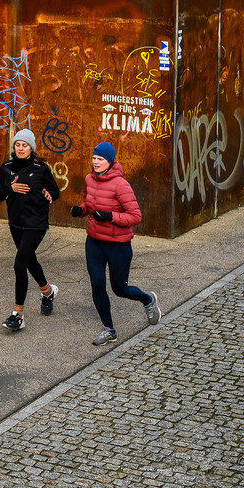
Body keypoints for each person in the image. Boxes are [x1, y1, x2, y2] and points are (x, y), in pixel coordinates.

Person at [71, 141, 162, 345]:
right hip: (94, 241)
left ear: (110, 162)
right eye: (94, 158)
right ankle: (109, 329)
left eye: (100, 159)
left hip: (117, 245)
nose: (95, 162)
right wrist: (81, 210)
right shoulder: (89, 179)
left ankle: (148, 300)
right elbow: (89, 203)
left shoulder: (121, 185)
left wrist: (110, 216)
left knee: (119, 288)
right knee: (96, 284)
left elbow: (135, 216)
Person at [0, 129, 60, 332]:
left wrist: (50, 194)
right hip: (16, 223)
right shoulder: (6, 168)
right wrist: (9, 189)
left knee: (20, 264)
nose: (21, 148)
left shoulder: (41, 169)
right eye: (18, 145)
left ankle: (18, 314)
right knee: (30, 260)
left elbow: (55, 190)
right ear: (14, 147)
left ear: (31, 148)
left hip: (36, 223)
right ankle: (48, 292)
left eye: (25, 145)